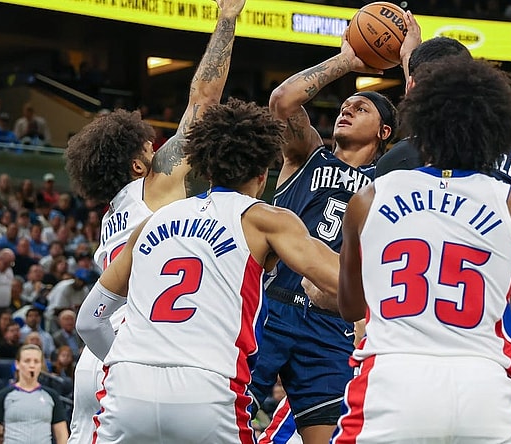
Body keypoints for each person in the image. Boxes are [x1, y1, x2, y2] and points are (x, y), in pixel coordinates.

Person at [76, 98, 341, 443]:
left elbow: (89, 320)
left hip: (128, 389)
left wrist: (126, 364)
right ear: (262, 176)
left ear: (206, 168)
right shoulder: (265, 220)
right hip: (206, 389)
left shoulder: (152, 222)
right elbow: (343, 280)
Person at [333, 54, 511, 442]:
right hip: (484, 385)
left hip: (393, 379)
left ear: (420, 126)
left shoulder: (368, 199)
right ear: (498, 131)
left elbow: (350, 307)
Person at [63, 1, 246, 442]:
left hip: (94, 360)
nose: (154, 141)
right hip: (138, 353)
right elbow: (203, 100)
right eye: (146, 147)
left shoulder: (113, 213)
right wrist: (226, 19)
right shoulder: (154, 186)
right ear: (137, 167)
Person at [250, 20, 400, 444]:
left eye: (361, 108)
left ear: (384, 132)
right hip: (271, 307)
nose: (346, 110)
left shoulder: (389, 184)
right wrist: (347, 60)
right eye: (344, 105)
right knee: (226, 419)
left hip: (332, 322)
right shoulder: (308, 155)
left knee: (330, 437)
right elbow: (281, 102)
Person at [0, 344, 69, 444]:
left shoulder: (52, 396)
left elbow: (62, 435)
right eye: (27, 361)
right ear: (17, 364)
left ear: (41, 365)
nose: (32, 365)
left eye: (36, 361)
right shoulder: (3, 396)